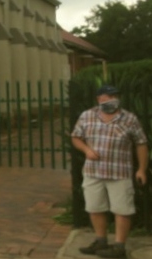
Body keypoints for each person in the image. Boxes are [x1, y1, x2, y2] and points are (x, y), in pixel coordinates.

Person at [71, 85, 149, 258]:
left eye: (116, 96)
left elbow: (141, 143)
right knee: (94, 207)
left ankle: (119, 246)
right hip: (93, 172)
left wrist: (142, 169)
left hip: (119, 173)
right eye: (109, 96)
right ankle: (101, 241)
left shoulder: (129, 118)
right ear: (99, 99)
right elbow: (76, 137)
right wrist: (86, 150)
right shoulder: (87, 116)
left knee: (122, 209)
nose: (114, 99)